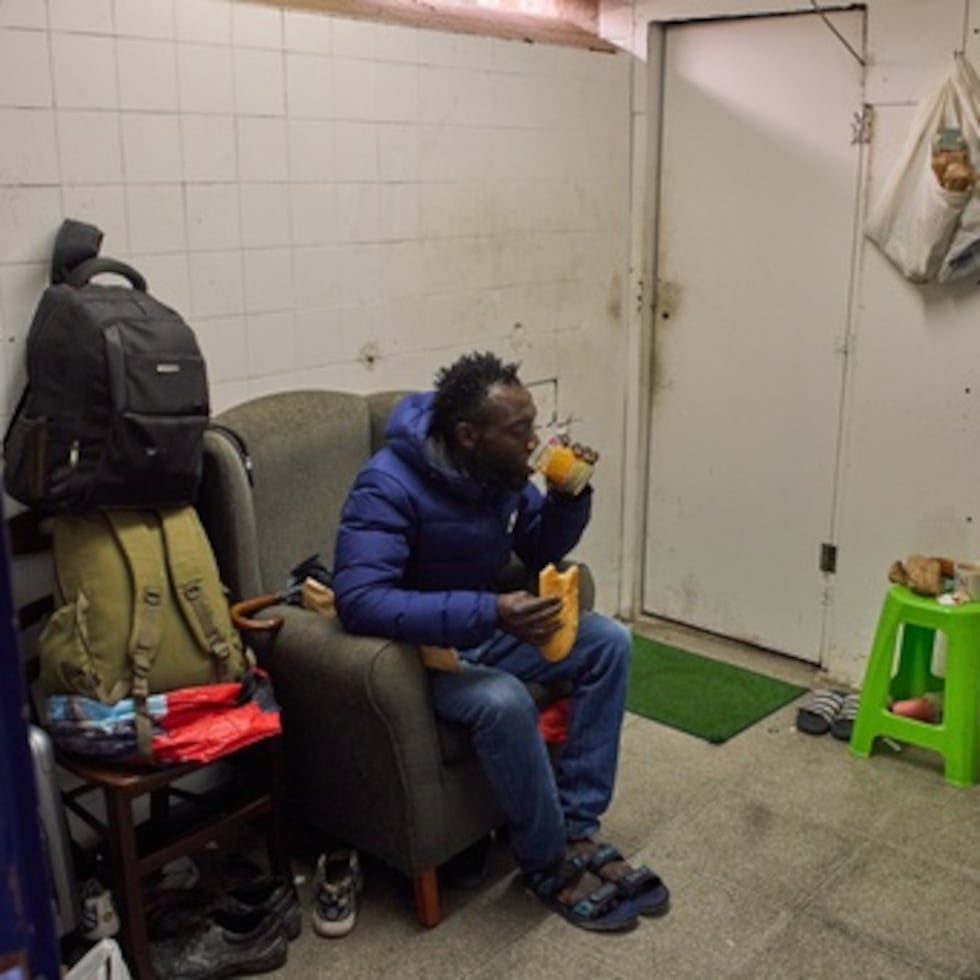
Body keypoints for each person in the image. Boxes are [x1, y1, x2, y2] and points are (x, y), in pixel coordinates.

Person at [332, 351, 669, 932]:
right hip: (421, 658)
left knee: (608, 642)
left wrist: (569, 499)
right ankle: (545, 861)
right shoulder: (386, 485)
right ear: (469, 435)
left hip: (485, 628)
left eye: (534, 424)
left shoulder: (499, 474)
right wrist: (489, 609)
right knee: (504, 698)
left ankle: (577, 828)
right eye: (521, 431)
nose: (535, 441)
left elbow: (537, 548)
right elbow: (360, 599)